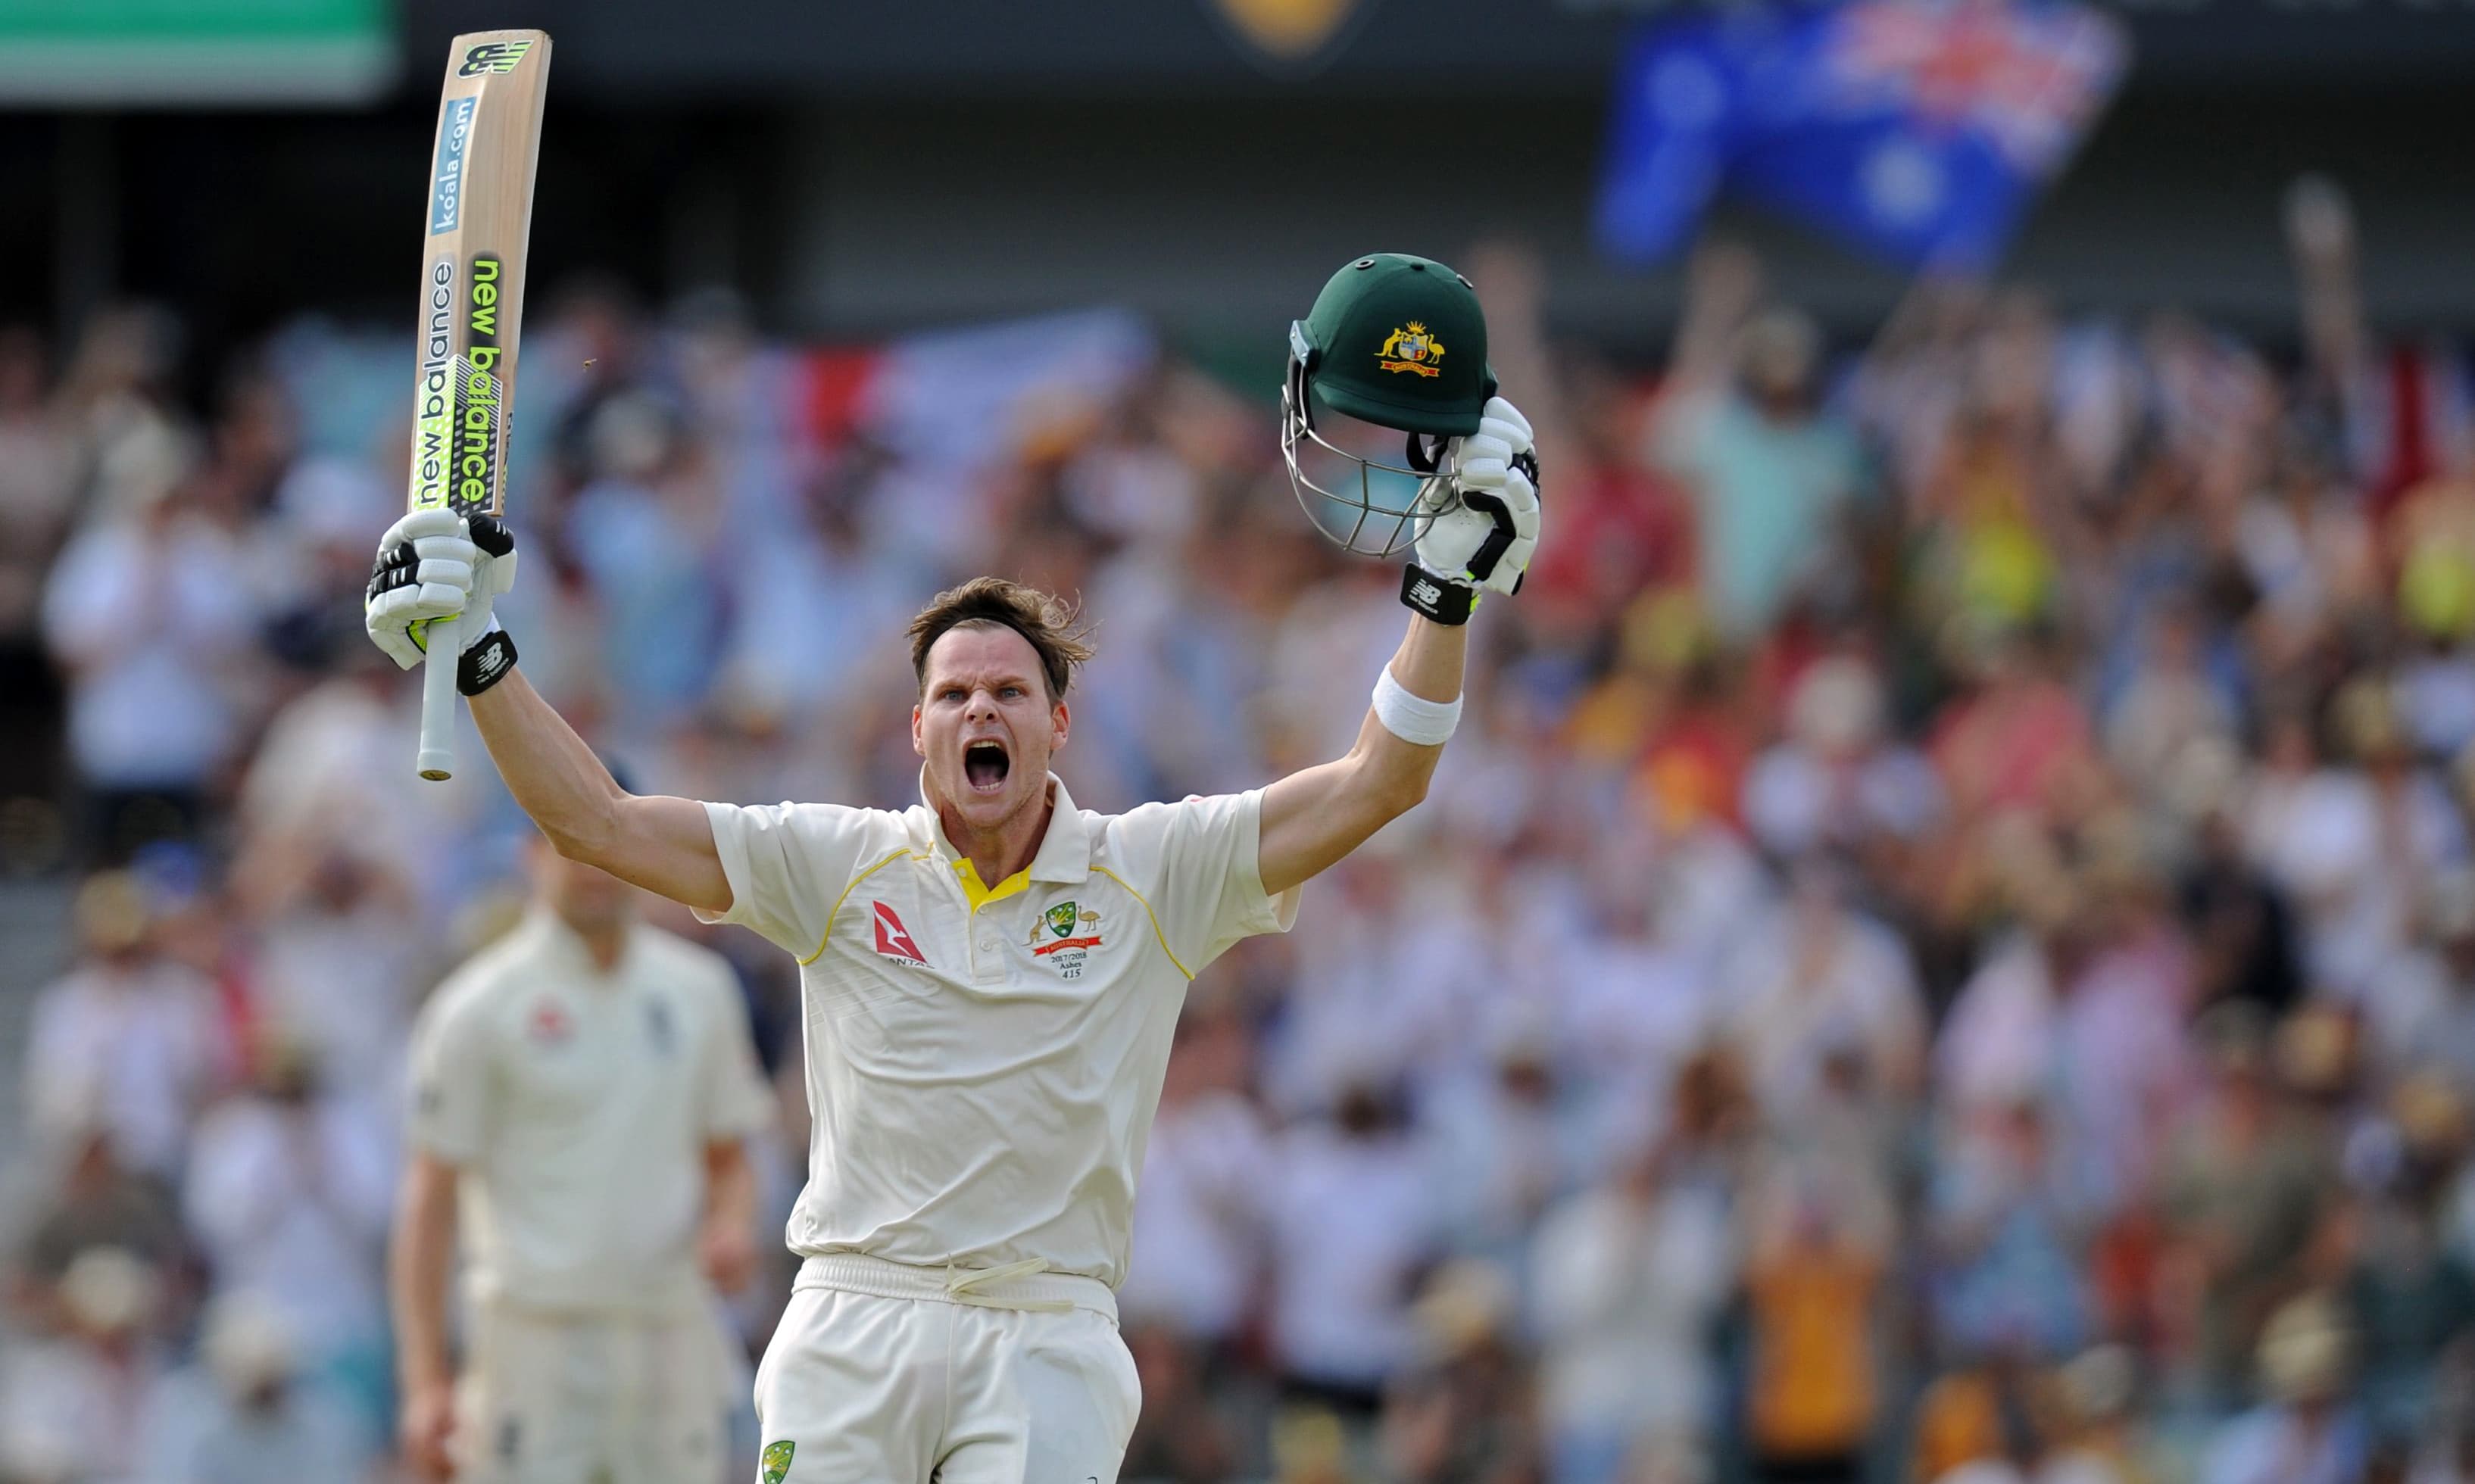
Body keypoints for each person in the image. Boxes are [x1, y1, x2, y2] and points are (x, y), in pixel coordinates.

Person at [364, 251, 1542, 1482]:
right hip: (851, 1318)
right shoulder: (830, 863)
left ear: (1056, 727)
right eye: (954, 694)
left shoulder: (1155, 869)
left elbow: (1378, 780)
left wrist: (1441, 596)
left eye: (1010, 692)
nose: (982, 710)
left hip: (1046, 1334)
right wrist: (485, 653)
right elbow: (596, 821)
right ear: (915, 731)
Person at [388, 834, 773, 1483]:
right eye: (573, 845)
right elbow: (430, 1202)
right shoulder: (477, 1007)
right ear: (531, 853)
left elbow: (729, 1158)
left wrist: (732, 1228)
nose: (595, 870)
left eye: (610, 846)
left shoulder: (700, 990)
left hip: (668, 1335)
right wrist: (426, 1380)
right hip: (533, 1345)